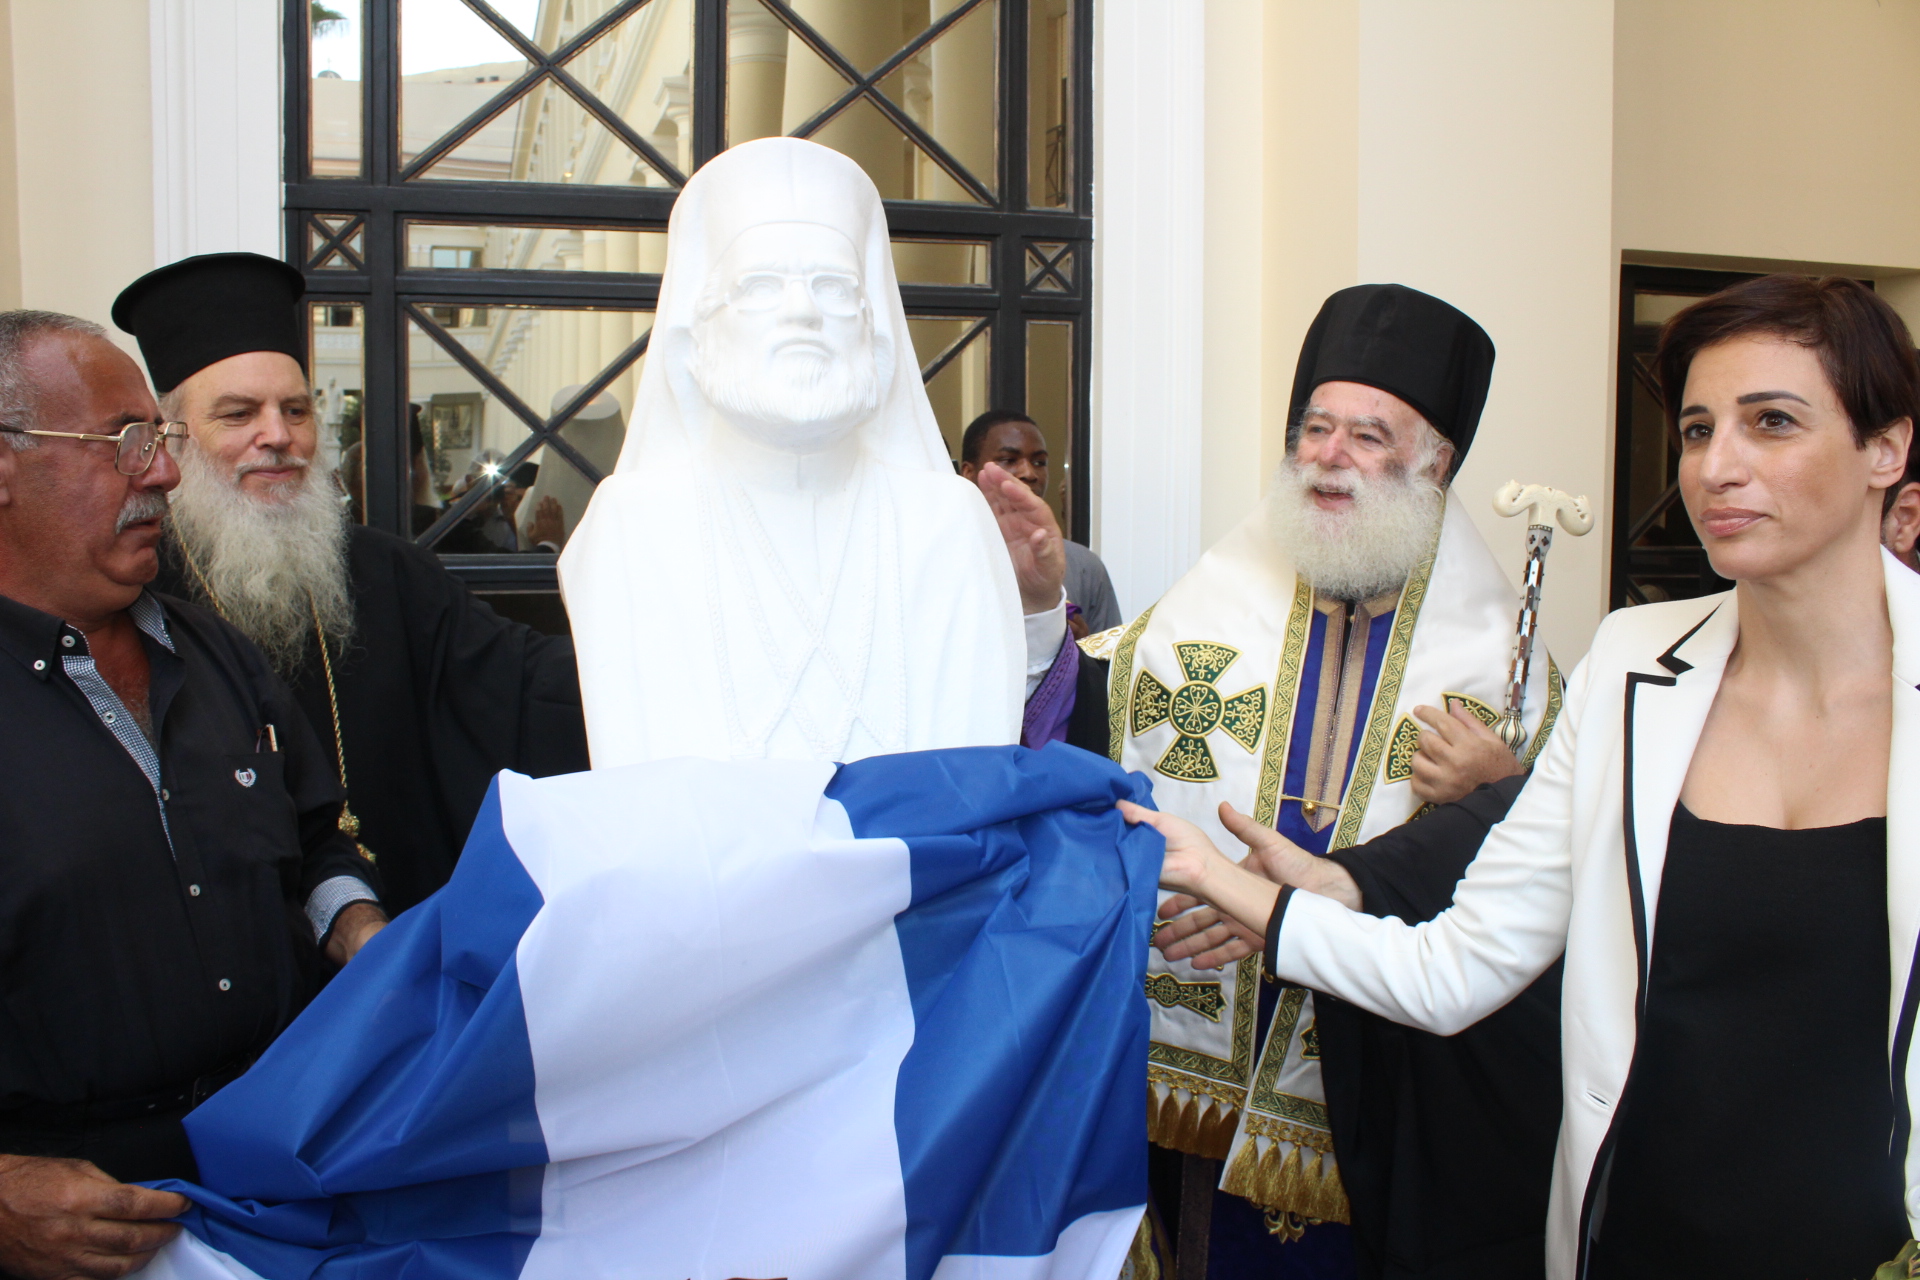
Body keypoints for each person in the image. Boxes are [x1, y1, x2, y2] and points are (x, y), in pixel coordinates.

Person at [1143, 273, 1920, 1279]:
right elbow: (1456, 968)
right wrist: (1233, 879)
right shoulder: (1630, 668)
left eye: (1772, 422)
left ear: (1887, 450)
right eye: (1696, 430)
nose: (1717, 467)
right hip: (1635, 1239)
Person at [1066, 284, 1561, 1277]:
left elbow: (1559, 864)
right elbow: (1096, 708)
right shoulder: (1207, 606)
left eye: (1368, 436)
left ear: (1436, 463)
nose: (1330, 455)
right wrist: (1043, 616)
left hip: (1373, 1063)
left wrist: (1504, 783)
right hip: (1206, 1036)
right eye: (1316, 428)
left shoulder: (1504, 665)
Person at [0, 311, 382, 1277]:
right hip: (82, 1226)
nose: (165, 473)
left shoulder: (216, 655)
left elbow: (316, 844)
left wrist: (362, 934)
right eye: (124, 442)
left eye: (160, 439)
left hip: (283, 1168)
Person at [559, 138, 1065, 767]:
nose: (802, 312)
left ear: (875, 336)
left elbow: (980, 750)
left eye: (833, 287)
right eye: (760, 286)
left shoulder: (948, 520)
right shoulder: (632, 524)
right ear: (696, 335)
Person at [113, 253, 591, 915]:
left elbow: (524, 685)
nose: (278, 436)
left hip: (397, 933)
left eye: (296, 410)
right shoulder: (135, 595)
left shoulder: (387, 572)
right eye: (239, 414)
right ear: (175, 439)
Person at [958, 408, 1121, 633]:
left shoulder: (1085, 566)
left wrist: (1077, 647)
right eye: (1009, 460)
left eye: (1039, 462)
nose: (1029, 473)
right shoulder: (944, 558)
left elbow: (1112, 654)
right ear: (968, 472)